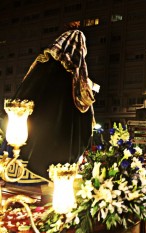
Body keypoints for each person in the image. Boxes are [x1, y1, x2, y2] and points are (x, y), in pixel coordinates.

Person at [12, 30, 98, 181]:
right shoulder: (75, 76)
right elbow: (84, 102)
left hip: (27, 138)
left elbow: (24, 93)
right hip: (58, 148)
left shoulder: (42, 65)